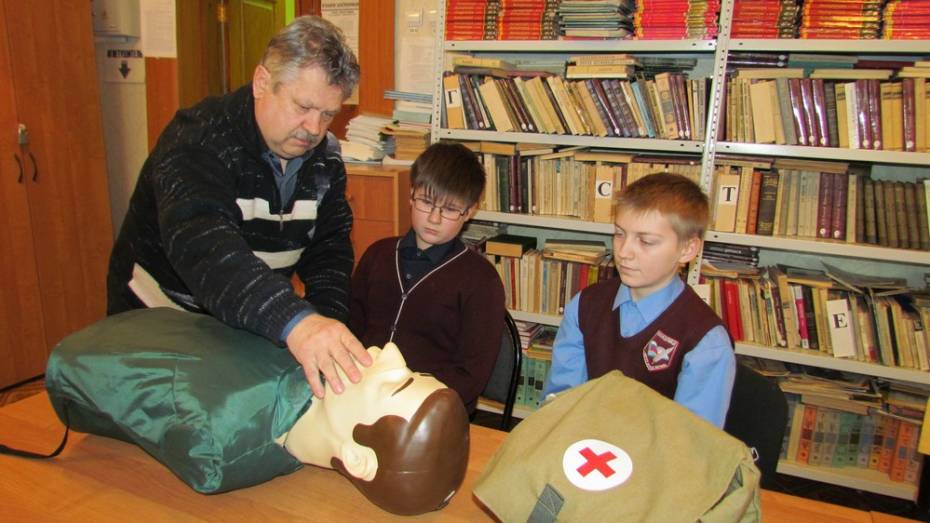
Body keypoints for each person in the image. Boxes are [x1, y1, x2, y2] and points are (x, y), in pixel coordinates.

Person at [106, 16, 369, 398]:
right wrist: (298, 324)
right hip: (157, 325)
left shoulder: (325, 158)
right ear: (262, 82)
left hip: (242, 322)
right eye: (303, 106)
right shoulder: (197, 139)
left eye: (328, 114)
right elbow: (209, 252)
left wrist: (324, 326)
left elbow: (328, 251)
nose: (313, 128)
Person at [44, 308, 469, 515]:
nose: (390, 351)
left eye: (394, 381)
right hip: (129, 324)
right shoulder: (311, 364)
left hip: (80, 360)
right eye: (410, 368)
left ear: (357, 459)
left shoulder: (216, 443)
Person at [542, 173, 736, 427]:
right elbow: (561, 403)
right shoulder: (586, 306)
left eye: (645, 241)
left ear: (687, 249)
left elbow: (691, 446)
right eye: (619, 234)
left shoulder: (705, 341)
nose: (623, 252)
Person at [348, 142, 506, 414]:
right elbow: (349, 328)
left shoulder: (481, 280)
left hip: (431, 412)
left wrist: (409, 401)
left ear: (469, 211)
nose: (434, 218)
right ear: (411, 195)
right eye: (426, 202)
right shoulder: (378, 255)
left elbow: (471, 376)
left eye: (450, 209)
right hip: (361, 396)